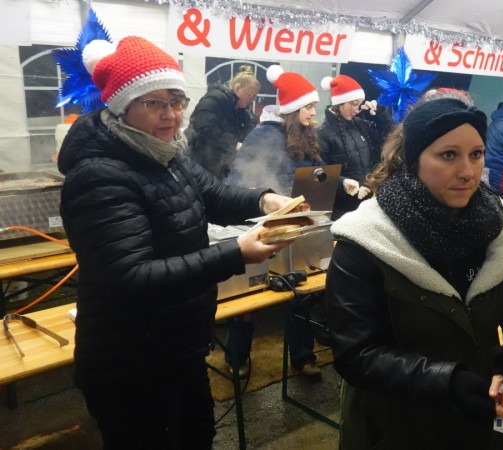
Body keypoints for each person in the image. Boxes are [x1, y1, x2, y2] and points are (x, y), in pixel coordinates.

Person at [57, 36, 292, 448]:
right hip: (131, 362)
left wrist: (263, 199)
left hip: (178, 344)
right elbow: (131, 278)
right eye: (155, 103)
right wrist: (235, 253)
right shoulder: (99, 176)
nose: (171, 115)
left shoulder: (166, 154)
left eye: (177, 101)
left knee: (198, 437)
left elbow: (215, 196)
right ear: (122, 106)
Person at [325, 98, 503, 449]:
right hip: (394, 429)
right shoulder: (367, 240)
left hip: (482, 420)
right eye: (448, 155)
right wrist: (448, 382)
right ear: (413, 159)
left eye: (476, 154)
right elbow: (356, 353)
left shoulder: (501, 232)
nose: (468, 172)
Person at [228, 64, 327, 377]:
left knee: (303, 291)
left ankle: (303, 356)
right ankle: (237, 358)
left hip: (298, 225)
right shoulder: (262, 136)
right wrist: (268, 198)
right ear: (294, 109)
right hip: (263, 228)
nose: (314, 112)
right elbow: (236, 183)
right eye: (309, 106)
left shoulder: (307, 137)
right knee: (248, 297)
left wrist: (335, 183)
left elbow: (316, 175)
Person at [317, 74, 394, 218]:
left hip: (367, 202)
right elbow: (319, 172)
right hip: (340, 209)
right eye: (353, 104)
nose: (357, 110)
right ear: (339, 103)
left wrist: (380, 114)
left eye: (359, 104)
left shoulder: (361, 125)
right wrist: (344, 184)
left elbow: (391, 137)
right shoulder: (323, 134)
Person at [185, 65, 260, 179]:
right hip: (197, 158)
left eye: (255, 97)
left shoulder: (240, 108)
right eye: (250, 95)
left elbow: (245, 132)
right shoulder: (215, 98)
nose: (252, 100)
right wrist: (234, 143)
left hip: (219, 162)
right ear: (238, 88)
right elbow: (204, 128)